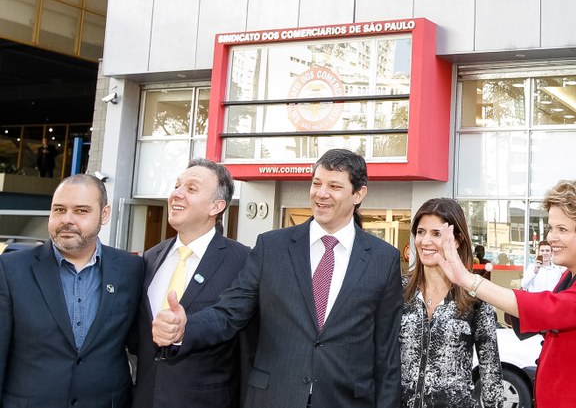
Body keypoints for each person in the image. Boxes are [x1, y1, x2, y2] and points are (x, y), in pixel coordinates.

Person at [152, 148, 403, 408]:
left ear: (358, 194)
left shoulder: (383, 259)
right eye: (317, 183)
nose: (321, 193)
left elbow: (386, 354)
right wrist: (185, 329)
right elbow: (229, 312)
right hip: (274, 398)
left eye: (334, 186)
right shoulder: (271, 247)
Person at [435, 179, 576, 408]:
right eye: (551, 227)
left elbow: (551, 309)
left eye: (562, 229)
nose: (551, 237)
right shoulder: (574, 273)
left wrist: (468, 280)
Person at [0, 174, 142, 407]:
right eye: (59, 210)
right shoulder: (9, 269)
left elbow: (140, 345)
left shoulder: (131, 269)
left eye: (81, 211)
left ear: (104, 214)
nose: (67, 220)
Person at [132, 159, 256, 408]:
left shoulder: (243, 261)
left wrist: (184, 329)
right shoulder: (150, 258)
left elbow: (232, 324)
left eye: (191, 188)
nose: (176, 194)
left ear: (216, 206)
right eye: (177, 186)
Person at [400, 198, 505, 408]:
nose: (425, 241)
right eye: (421, 232)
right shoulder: (398, 290)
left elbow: (491, 372)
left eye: (436, 233)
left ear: (457, 240)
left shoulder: (475, 297)